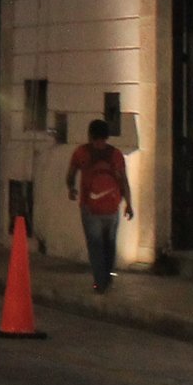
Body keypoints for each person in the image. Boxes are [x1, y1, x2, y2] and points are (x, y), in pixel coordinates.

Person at [65, 118, 132, 294]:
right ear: (107, 135)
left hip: (90, 208)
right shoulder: (115, 154)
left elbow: (70, 175)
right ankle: (107, 278)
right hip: (112, 208)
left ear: (90, 134)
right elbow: (123, 181)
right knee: (109, 244)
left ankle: (99, 282)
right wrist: (129, 204)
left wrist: (71, 189)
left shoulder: (81, 153)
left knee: (95, 246)